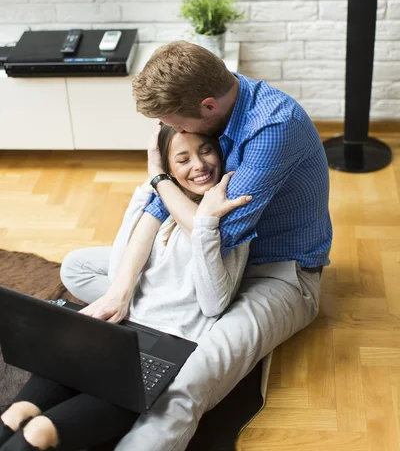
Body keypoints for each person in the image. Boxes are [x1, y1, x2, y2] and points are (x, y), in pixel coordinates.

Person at [62, 40, 332, 451]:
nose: (175, 132)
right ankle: (167, 315)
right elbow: (161, 209)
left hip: (273, 273)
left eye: (174, 121)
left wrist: (158, 178)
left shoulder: (274, 127)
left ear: (208, 106)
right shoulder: (216, 113)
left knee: (181, 387)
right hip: (201, 257)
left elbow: (217, 232)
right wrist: (119, 291)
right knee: (78, 268)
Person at [0, 127, 251, 451]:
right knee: (15, 414)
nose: (199, 165)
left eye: (205, 151)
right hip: (117, 334)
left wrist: (204, 225)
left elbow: (213, 302)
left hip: (167, 348)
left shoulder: (227, 219)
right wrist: (153, 181)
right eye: (183, 159)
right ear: (169, 170)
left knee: (39, 432)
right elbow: (120, 264)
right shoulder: (160, 205)